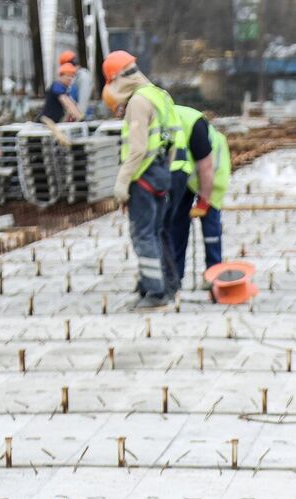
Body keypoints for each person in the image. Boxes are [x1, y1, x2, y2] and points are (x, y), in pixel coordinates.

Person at [103, 50, 181, 311]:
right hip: (160, 175)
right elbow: (171, 143)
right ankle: (164, 286)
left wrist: (123, 183)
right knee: (156, 233)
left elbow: (137, 149)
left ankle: (155, 292)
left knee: (143, 235)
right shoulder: (160, 96)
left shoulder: (138, 102)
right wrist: (163, 172)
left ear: (115, 78)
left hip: (143, 177)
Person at [165, 105, 230, 283]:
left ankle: (214, 275)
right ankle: (175, 276)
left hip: (213, 173)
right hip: (185, 174)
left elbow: (206, 168)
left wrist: (203, 201)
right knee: (177, 224)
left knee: (210, 226)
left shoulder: (194, 124)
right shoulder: (159, 120)